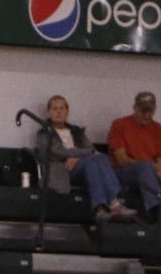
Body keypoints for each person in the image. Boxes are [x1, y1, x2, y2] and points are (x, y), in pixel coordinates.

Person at [35, 95, 128, 226]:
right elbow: (58, 152)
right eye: (54, 108)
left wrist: (76, 158)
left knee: (94, 164)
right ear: (48, 112)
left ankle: (100, 209)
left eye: (62, 108)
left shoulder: (77, 131)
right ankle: (114, 201)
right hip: (61, 172)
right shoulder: (44, 133)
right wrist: (78, 156)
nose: (58, 112)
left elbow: (90, 149)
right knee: (98, 159)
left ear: (67, 112)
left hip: (81, 168)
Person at [107, 91, 161, 226]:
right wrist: (153, 167)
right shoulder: (119, 125)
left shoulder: (158, 128)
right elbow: (121, 159)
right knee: (144, 166)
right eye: (143, 111)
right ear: (135, 108)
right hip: (125, 175)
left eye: (150, 111)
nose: (147, 115)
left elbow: (160, 158)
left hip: (149, 175)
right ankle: (157, 211)